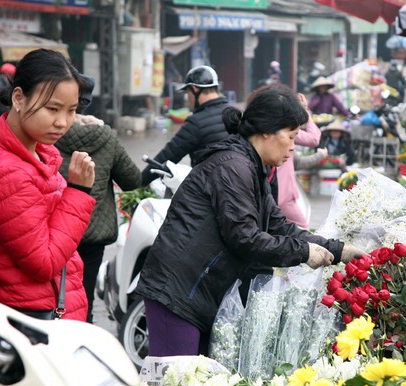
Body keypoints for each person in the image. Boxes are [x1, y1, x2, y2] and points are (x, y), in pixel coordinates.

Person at [135, 85, 363, 357]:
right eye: (290, 136)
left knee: (190, 382)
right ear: (267, 130)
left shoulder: (252, 167)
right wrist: (303, 252)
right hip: (176, 291)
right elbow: (245, 237)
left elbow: (279, 225)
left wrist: (338, 250)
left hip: (199, 291)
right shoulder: (233, 167)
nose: (293, 147)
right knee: (172, 385)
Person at [0, 49, 96, 321]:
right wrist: (79, 192)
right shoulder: (4, 172)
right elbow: (43, 263)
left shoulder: (39, 155)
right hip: (30, 321)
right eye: (52, 109)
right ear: (18, 98)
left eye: (71, 110)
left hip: (46, 313)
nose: (63, 122)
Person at [55, 76, 142, 323]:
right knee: (84, 298)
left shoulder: (46, 133)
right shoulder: (106, 137)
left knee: (50, 298)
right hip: (92, 233)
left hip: (54, 231)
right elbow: (132, 181)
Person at [141, 65, 230, 186]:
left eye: (188, 93)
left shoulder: (196, 122)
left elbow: (168, 156)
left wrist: (139, 182)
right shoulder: (235, 114)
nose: (188, 99)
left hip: (209, 191)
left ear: (195, 89)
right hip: (239, 187)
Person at [276, 92, 326, 229]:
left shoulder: (281, 128)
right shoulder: (285, 129)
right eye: (302, 107)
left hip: (280, 194)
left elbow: (296, 162)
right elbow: (314, 138)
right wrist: (307, 115)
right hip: (283, 196)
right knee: (303, 228)